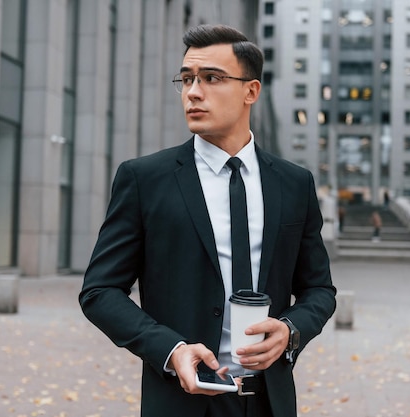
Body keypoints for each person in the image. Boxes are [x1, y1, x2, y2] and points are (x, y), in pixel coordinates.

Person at [79, 24, 336, 417]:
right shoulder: (144, 179)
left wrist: (289, 330)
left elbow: (319, 289)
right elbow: (100, 291)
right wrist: (170, 349)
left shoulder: (294, 184)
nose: (193, 92)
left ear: (251, 91)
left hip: (270, 402)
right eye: (186, 79)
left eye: (211, 78)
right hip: (180, 400)